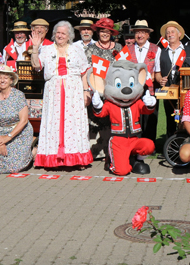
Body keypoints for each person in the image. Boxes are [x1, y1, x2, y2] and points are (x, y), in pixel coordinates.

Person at [31, 20, 93, 167]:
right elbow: (36, 66)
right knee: (54, 122)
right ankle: (53, 158)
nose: (60, 35)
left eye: (63, 33)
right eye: (58, 32)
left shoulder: (77, 49)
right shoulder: (46, 49)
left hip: (74, 91)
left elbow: (84, 72)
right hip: (53, 92)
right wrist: (35, 47)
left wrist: (86, 91)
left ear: (69, 35)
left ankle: (76, 158)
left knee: (74, 122)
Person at [85, 18, 123, 158]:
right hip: (96, 90)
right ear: (98, 33)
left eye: (107, 32)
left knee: (113, 119)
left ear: (111, 33)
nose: (104, 34)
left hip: (114, 91)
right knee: (95, 120)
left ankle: (112, 150)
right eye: (102, 31)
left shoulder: (118, 47)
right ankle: (96, 151)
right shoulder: (91, 48)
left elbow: (124, 67)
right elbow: (87, 70)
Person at [154, 20, 190, 137]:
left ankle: (188, 142)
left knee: (188, 118)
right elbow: (157, 73)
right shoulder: (161, 52)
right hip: (168, 90)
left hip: (186, 91)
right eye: (168, 33)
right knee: (170, 117)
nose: (170, 34)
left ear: (179, 34)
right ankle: (171, 146)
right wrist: (160, 80)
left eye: (172, 32)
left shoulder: (189, 51)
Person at [128, 20, 158, 141]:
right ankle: (135, 142)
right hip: (132, 90)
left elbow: (157, 71)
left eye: (142, 32)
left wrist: (150, 79)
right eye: (137, 32)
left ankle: (149, 144)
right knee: (134, 117)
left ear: (147, 34)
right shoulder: (127, 49)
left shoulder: (156, 49)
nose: (139, 35)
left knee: (150, 117)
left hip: (149, 89)